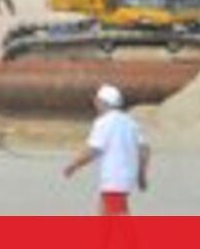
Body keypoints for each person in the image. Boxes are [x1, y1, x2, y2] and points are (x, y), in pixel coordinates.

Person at [63, 84, 150, 216]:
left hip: (114, 177)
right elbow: (144, 150)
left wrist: (74, 165)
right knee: (105, 210)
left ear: (103, 102)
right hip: (127, 176)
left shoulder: (103, 122)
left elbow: (93, 149)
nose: (95, 103)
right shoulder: (131, 122)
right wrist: (141, 175)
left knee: (118, 212)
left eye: (97, 100)